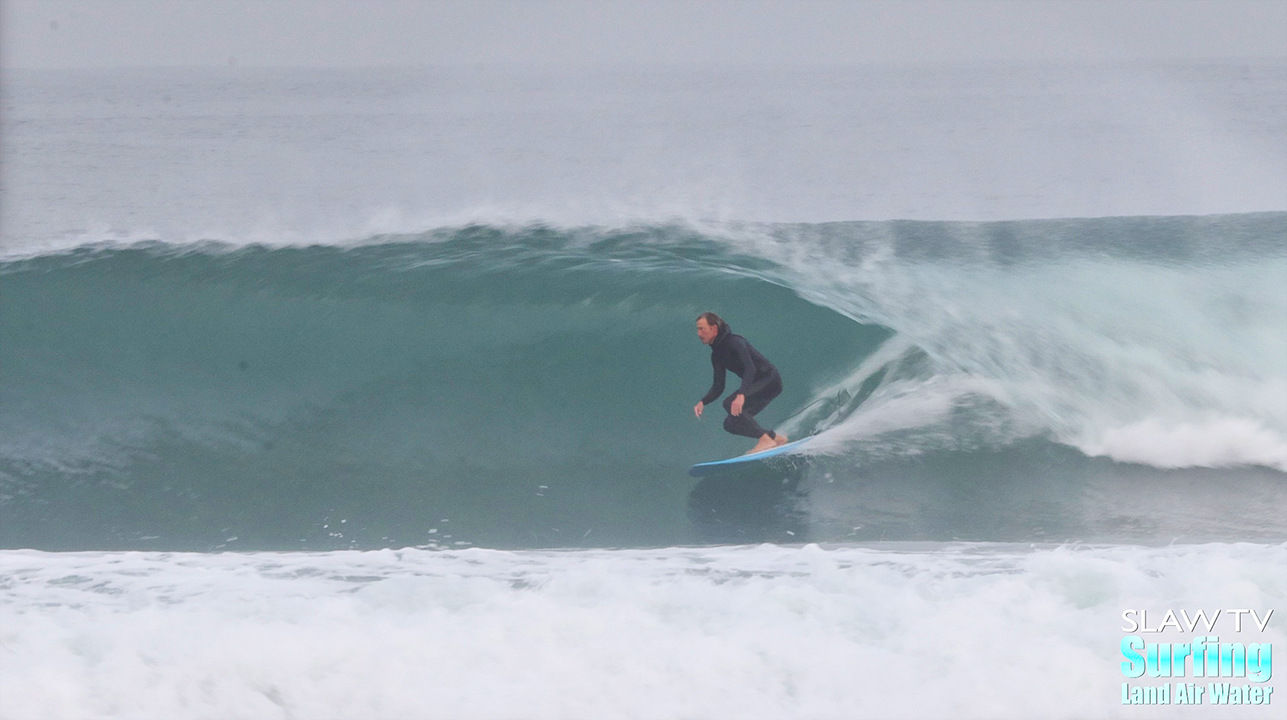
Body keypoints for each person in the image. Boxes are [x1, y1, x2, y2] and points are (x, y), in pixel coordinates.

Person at [692, 312, 788, 454]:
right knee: (730, 424)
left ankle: (765, 440)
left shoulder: (734, 342)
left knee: (730, 404)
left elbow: (750, 368)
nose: (699, 333)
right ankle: (775, 438)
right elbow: (719, 385)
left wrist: (741, 394)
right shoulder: (716, 354)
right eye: (697, 329)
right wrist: (703, 402)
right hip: (756, 386)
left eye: (702, 329)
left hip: (770, 380)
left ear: (714, 328)